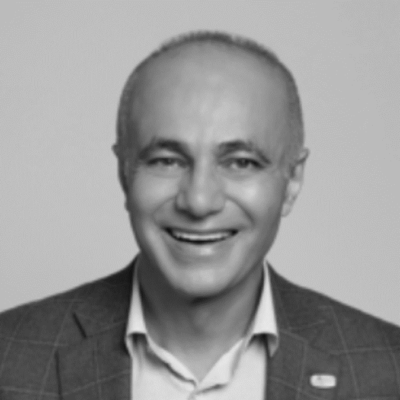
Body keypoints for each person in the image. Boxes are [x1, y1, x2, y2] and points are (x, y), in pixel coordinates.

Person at [0, 31, 399, 400]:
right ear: (124, 173)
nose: (199, 201)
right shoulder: (9, 359)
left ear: (292, 181)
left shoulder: (388, 370)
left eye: (241, 162)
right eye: (167, 160)